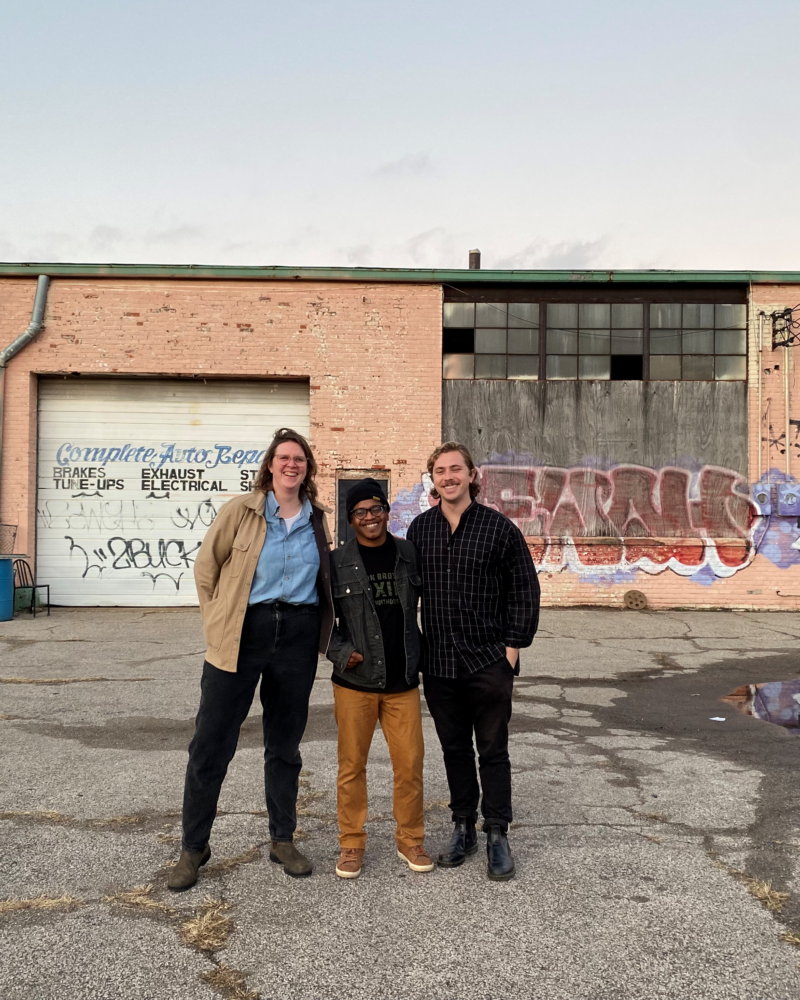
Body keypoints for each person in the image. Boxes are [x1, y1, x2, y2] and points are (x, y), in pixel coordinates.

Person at [168, 428, 334, 890]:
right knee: (211, 742)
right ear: (270, 465)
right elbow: (207, 570)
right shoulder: (239, 511)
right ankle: (193, 847)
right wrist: (217, 623)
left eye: (299, 458)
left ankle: (282, 839)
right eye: (283, 457)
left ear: (307, 468)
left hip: (298, 636)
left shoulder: (319, 519)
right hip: (241, 633)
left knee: (285, 745)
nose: (291, 465)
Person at [406, 443, 539, 881]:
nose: (448, 477)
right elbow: (410, 595)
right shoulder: (420, 531)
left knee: (493, 750)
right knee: (454, 749)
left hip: (488, 660)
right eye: (440, 471)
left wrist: (512, 649)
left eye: (455, 469)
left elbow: (524, 588)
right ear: (434, 479)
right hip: (440, 662)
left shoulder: (499, 529)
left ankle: (497, 832)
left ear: (471, 475)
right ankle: (463, 826)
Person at [326, 478, 433, 879]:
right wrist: (339, 652)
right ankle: (351, 843)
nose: (370, 518)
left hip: (402, 682)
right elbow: (322, 620)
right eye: (360, 512)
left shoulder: (408, 553)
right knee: (352, 766)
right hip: (356, 682)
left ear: (387, 512)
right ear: (351, 519)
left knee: (410, 765)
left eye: (376, 509)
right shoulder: (337, 563)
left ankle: (411, 839)